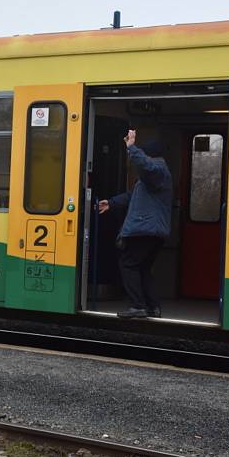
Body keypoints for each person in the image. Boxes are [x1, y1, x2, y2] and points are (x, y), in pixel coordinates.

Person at [98, 130, 172, 318]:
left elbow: (146, 166)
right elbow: (133, 195)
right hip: (152, 230)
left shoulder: (157, 170)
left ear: (148, 155)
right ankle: (152, 307)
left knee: (128, 264)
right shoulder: (154, 178)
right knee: (143, 268)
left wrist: (131, 147)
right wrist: (112, 203)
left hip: (145, 229)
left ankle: (137, 305)